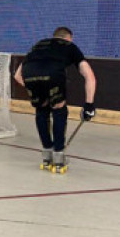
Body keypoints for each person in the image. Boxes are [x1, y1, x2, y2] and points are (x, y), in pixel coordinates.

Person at [15, 27, 97, 172]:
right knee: (59, 109)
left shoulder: (38, 45)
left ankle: (47, 155)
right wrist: (89, 105)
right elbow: (89, 75)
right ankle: (58, 156)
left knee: (42, 110)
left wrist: (33, 87)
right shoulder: (69, 46)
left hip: (30, 75)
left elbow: (17, 76)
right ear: (68, 38)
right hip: (53, 75)